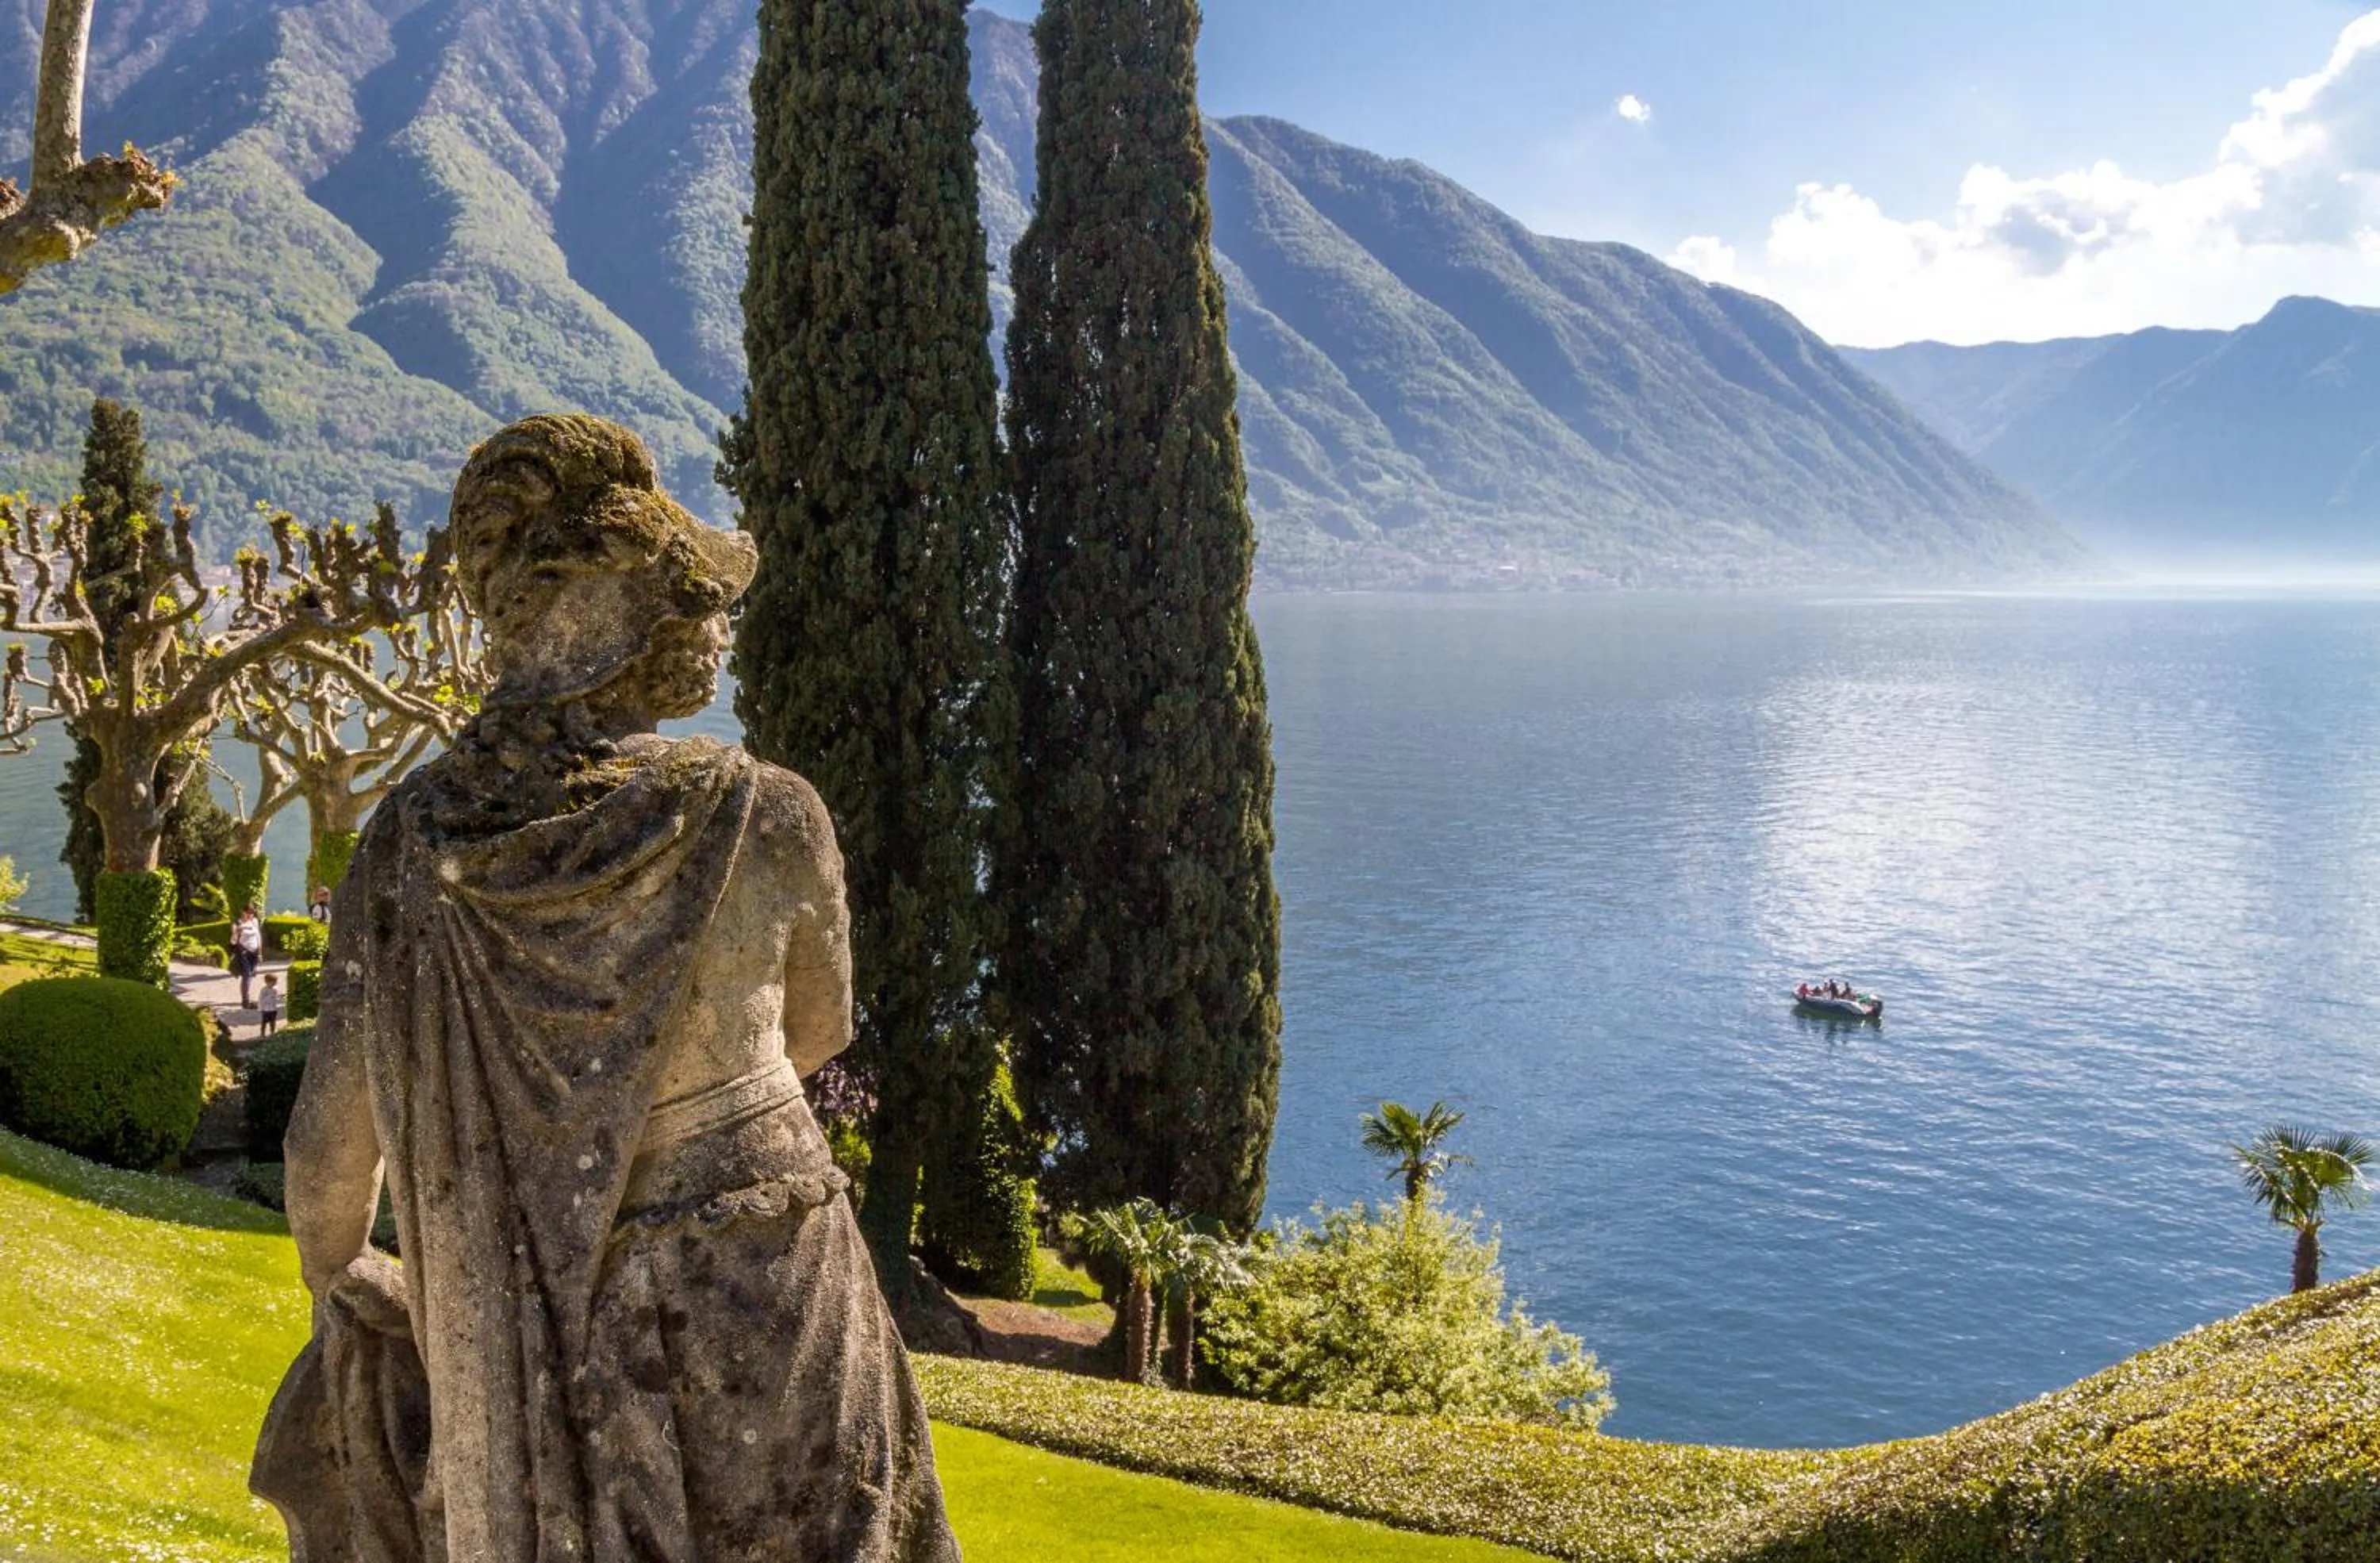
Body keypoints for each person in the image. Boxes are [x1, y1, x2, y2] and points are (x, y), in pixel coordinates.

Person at [257, 415, 958, 1562]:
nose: (718, 624)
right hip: (769, 1280)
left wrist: (343, 1276)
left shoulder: (405, 849)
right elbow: (818, 1030)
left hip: (550, 1340)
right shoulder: (768, 812)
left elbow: (325, 1149)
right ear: (641, 615)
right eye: (699, 597)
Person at [229, 906, 263, 1008]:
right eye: (248, 913)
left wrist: (260, 953)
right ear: (243, 912)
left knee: (250, 975)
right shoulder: (237, 924)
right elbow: (233, 941)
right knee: (246, 975)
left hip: (254, 953)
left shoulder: (254, 922)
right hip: (244, 952)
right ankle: (246, 1001)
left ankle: (247, 999)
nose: (250, 915)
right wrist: (237, 932)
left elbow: (258, 937)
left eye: (252, 913)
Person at [256, 973, 281, 1037]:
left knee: (273, 1022)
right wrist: (261, 1008)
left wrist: (278, 1000)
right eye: (273, 982)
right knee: (264, 1022)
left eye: (275, 982)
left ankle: (272, 1032)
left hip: (273, 1009)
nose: (274, 984)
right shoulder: (264, 990)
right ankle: (262, 1033)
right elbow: (261, 999)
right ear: (267, 982)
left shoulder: (275, 989)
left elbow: (277, 998)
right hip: (266, 1009)